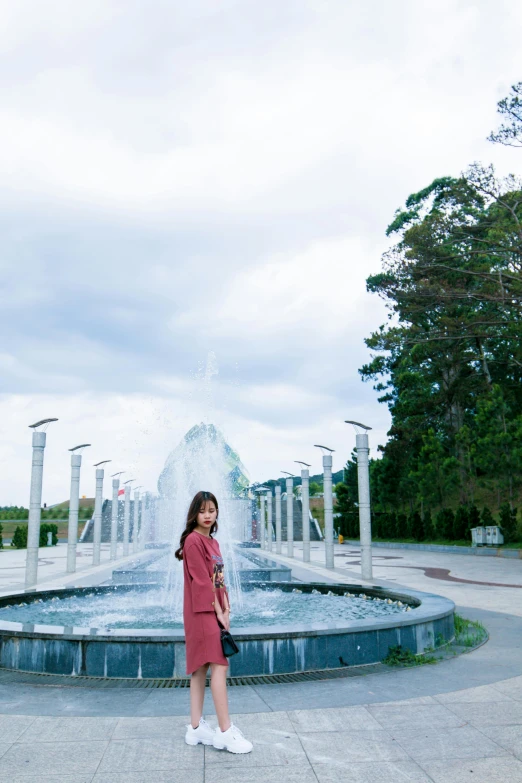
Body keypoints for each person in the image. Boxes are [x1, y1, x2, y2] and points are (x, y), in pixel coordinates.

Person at [175, 490, 253, 754]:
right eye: (202, 511)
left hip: (213, 609)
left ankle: (195, 729)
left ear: (217, 511)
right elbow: (200, 580)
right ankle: (225, 732)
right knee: (219, 666)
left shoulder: (214, 543)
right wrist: (218, 610)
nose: (207, 515)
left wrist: (227, 606)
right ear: (194, 514)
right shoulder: (193, 542)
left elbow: (219, 580)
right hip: (201, 612)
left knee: (199, 669)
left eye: (212, 510)